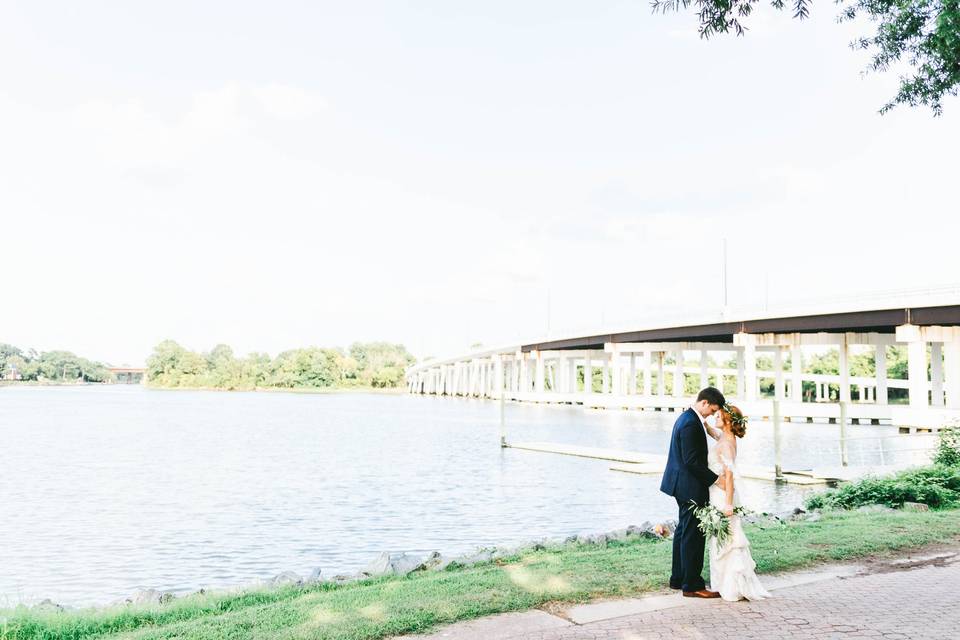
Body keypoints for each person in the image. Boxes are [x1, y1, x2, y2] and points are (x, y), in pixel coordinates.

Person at [659, 387, 726, 598]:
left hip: (681, 484)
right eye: (712, 410)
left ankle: (678, 579)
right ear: (704, 403)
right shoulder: (690, 423)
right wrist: (716, 479)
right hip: (689, 485)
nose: (711, 415)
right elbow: (692, 462)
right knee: (693, 535)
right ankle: (692, 585)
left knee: (682, 532)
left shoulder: (688, 418)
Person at [704, 404, 772, 602]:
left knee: (727, 540)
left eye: (718, 416)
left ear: (727, 420)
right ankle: (722, 582)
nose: (715, 417)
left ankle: (732, 585)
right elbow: (717, 435)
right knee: (721, 539)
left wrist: (727, 504)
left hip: (723, 495)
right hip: (718, 493)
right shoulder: (725, 438)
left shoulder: (727, 443)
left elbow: (730, 476)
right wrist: (707, 426)